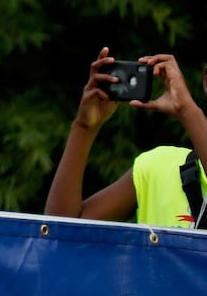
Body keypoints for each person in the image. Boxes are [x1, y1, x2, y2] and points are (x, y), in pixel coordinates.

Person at [44, 47, 207, 227]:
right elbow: (59, 232)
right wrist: (84, 128)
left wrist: (187, 110)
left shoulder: (189, 114)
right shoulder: (157, 167)